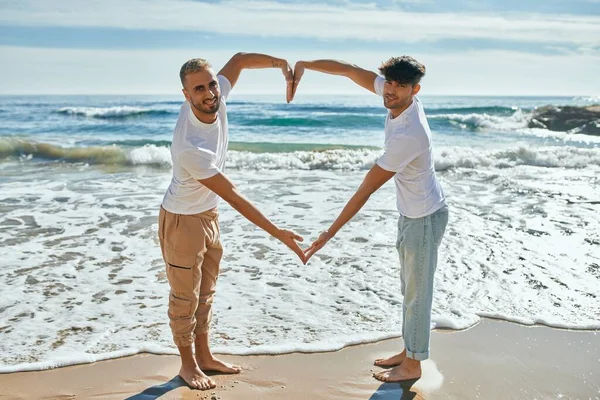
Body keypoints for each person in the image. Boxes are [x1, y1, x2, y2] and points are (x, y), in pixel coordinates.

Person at [294, 56, 448, 382]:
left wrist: (329, 232)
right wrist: (306, 65)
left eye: (399, 86)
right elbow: (350, 71)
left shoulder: (409, 134)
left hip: (424, 218)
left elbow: (366, 188)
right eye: (388, 82)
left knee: (417, 294)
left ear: (414, 89)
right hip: (412, 213)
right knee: (409, 289)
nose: (389, 90)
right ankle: (409, 351)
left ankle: (413, 365)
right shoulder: (397, 97)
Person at [158, 53, 306, 390]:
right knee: (185, 298)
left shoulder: (216, 96)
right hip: (183, 221)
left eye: (212, 84)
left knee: (206, 293)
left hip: (209, 215)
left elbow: (238, 60)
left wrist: (281, 65)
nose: (210, 93)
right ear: (186, 95)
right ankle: (187, 365)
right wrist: (279, 234)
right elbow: (236, 197)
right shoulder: (191, 148)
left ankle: (206, 356)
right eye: (199, 89)